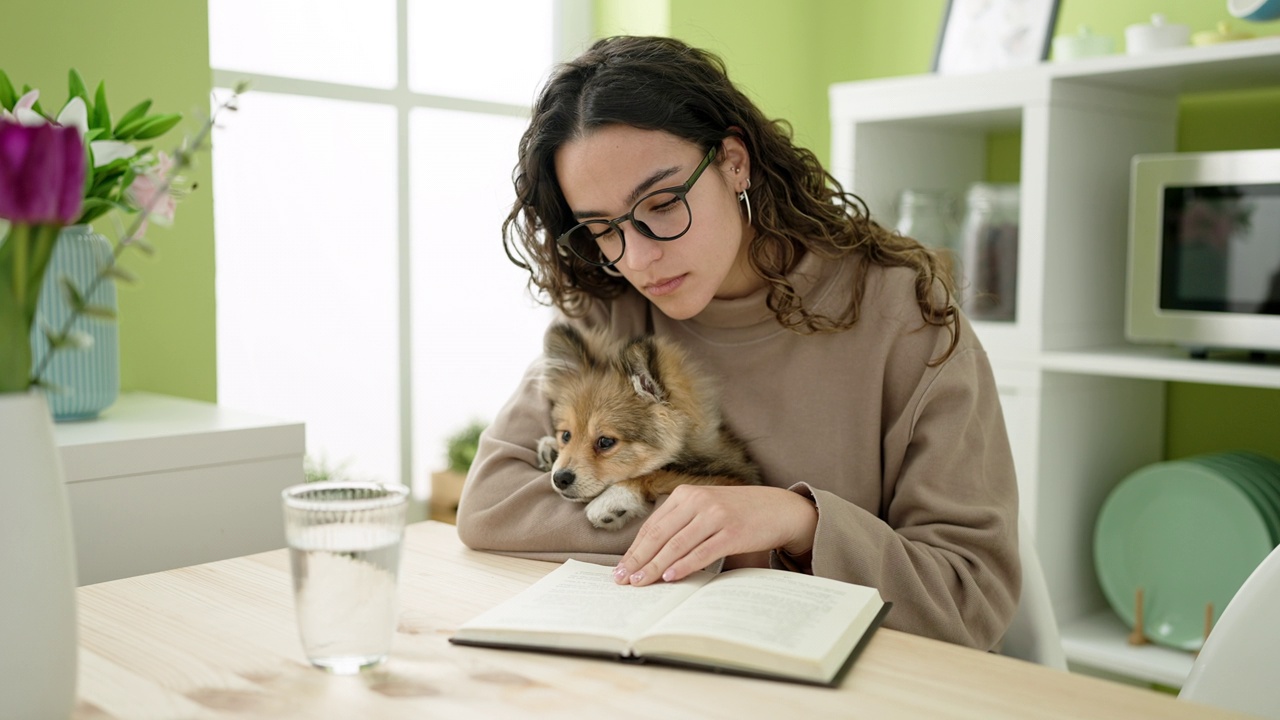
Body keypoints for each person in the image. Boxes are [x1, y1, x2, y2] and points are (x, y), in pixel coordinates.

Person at [455, 35, 1020, 651]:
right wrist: (714, 538)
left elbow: (972, 595)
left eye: (663, 204)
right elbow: (492, 503)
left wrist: (799, 525)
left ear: (733, 162)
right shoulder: (611, 307)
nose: (638, 258)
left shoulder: (905, 316)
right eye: (600, 230)